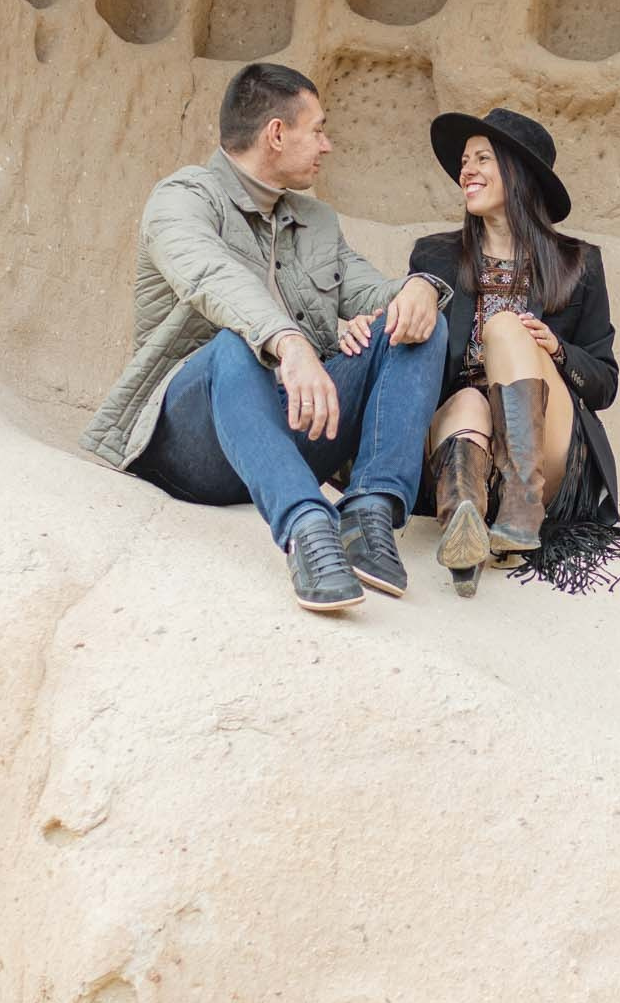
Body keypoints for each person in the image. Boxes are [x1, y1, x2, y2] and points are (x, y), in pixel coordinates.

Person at [82, 62, 452, 612]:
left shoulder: (317, 221)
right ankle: (306, 528)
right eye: (318, 130)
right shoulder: (182, 199)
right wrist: (290, 343)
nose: (327, 145)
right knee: (234, 344)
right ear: (276, 134)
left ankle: (369, 512)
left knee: (420, 324)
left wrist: (420, 288)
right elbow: (212, 276)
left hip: (294, 427)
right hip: (196, 443)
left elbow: (372, 292)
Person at [410, 107, 620, 596]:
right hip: (462, 441)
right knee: (469, 399)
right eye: (465, 161)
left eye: (482, 158)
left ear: (519, 172)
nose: (467, 171)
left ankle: (522, 506)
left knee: (507, 327)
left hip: (547, 454)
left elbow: (605, 383)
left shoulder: (579, 263)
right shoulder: (434, 256)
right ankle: (463, 520)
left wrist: (558, 351)